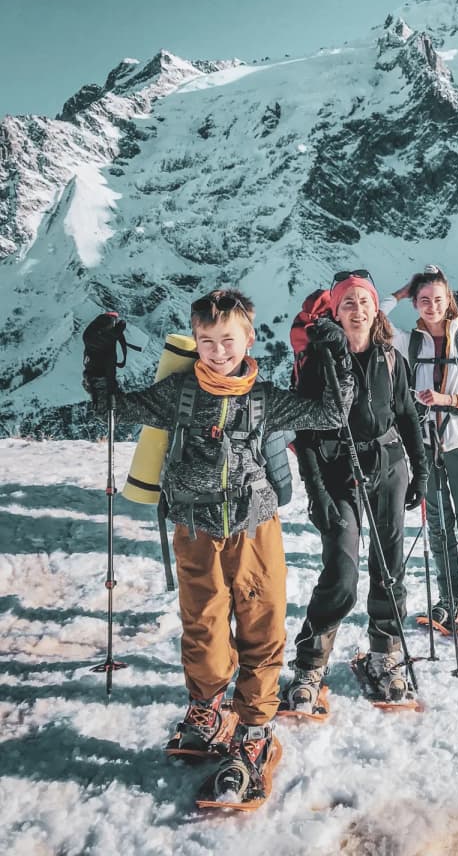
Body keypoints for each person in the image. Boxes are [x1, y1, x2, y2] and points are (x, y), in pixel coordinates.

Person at [81, 289, 353, 807]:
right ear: (196, 340)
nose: (217, 350)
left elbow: (331, 412)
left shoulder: (265, 398)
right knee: (202, 621)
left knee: (262, 622)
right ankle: (207, 707)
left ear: (248, 338)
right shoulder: (179, 393)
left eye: (227, 340)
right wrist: (98, 357)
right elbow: (111, 408)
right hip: (194, 527)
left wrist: (335, 354)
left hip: (255, 528)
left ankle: (253, 730)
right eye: (206, 340)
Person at [283, 269, 429, 711]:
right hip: (337, 473)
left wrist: (419, 471)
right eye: (348, 303)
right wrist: (318, 493)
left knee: (389, 567)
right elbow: (305, 434)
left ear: (374, 310)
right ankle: (310, 662)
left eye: (364, 301)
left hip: (388, 467)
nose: (358, 309)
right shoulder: (319, 364)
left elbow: (408, 418)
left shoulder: (391, 359)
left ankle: (384, 654)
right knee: (341, 571)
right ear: (337, 311)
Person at [391, 266, 458, 632]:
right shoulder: (411, 342)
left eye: (438, 299)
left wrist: (447, 399)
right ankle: (449, 598)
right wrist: (401, 293)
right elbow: (372, 319)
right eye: (424, 300)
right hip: (426, 445)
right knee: (437, 526)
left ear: (449, 300)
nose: (431, 306)